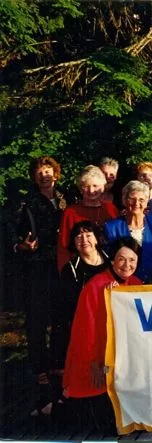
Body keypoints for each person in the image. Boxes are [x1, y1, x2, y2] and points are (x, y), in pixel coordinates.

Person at [7, 156, 67, 416]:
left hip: (62, 268)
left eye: (49, 171)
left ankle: (58, 372)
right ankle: (40, 374)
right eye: (40, 172)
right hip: (36, 268)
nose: (44, 176)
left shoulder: (66, 199)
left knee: (61, 320)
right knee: (36, 323)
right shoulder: (24, 203)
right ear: (34, 176)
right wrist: (20, 245)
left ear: (56, 174)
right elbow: (9, 230)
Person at [63, 238, 142, 431]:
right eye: (121, 259)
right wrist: (95, 362)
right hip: (98, 360)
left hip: (124, 363)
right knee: (91, 423)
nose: (127, 265)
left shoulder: (137, 284)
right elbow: (85, 329)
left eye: (132, 260)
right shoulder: (96, 286)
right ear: (112, 260)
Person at [51, 221, 110, 411]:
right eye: (78, 236)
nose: (84, 240)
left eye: (88, 234)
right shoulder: (71, 269)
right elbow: (68, 304)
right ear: (73, 242)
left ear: (97, 238)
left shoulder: (111, 260)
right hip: (87, 323)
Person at [57, 165, 119, 271]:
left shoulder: (111, 210)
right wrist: (65, 271)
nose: (91, 190)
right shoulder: (71, 212)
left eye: (95, 186)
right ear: (80, 189)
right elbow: (63, 245)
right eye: (86, 186)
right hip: (80, 267)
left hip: (108, 266)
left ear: (103, 187)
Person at [103, 180, 152, 282]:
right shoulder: (111, 228)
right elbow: (109, 260)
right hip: (125, 283)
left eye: (141, 199)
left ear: (147, 202)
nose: (136, 203)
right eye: (132, 199)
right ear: (124, 200)